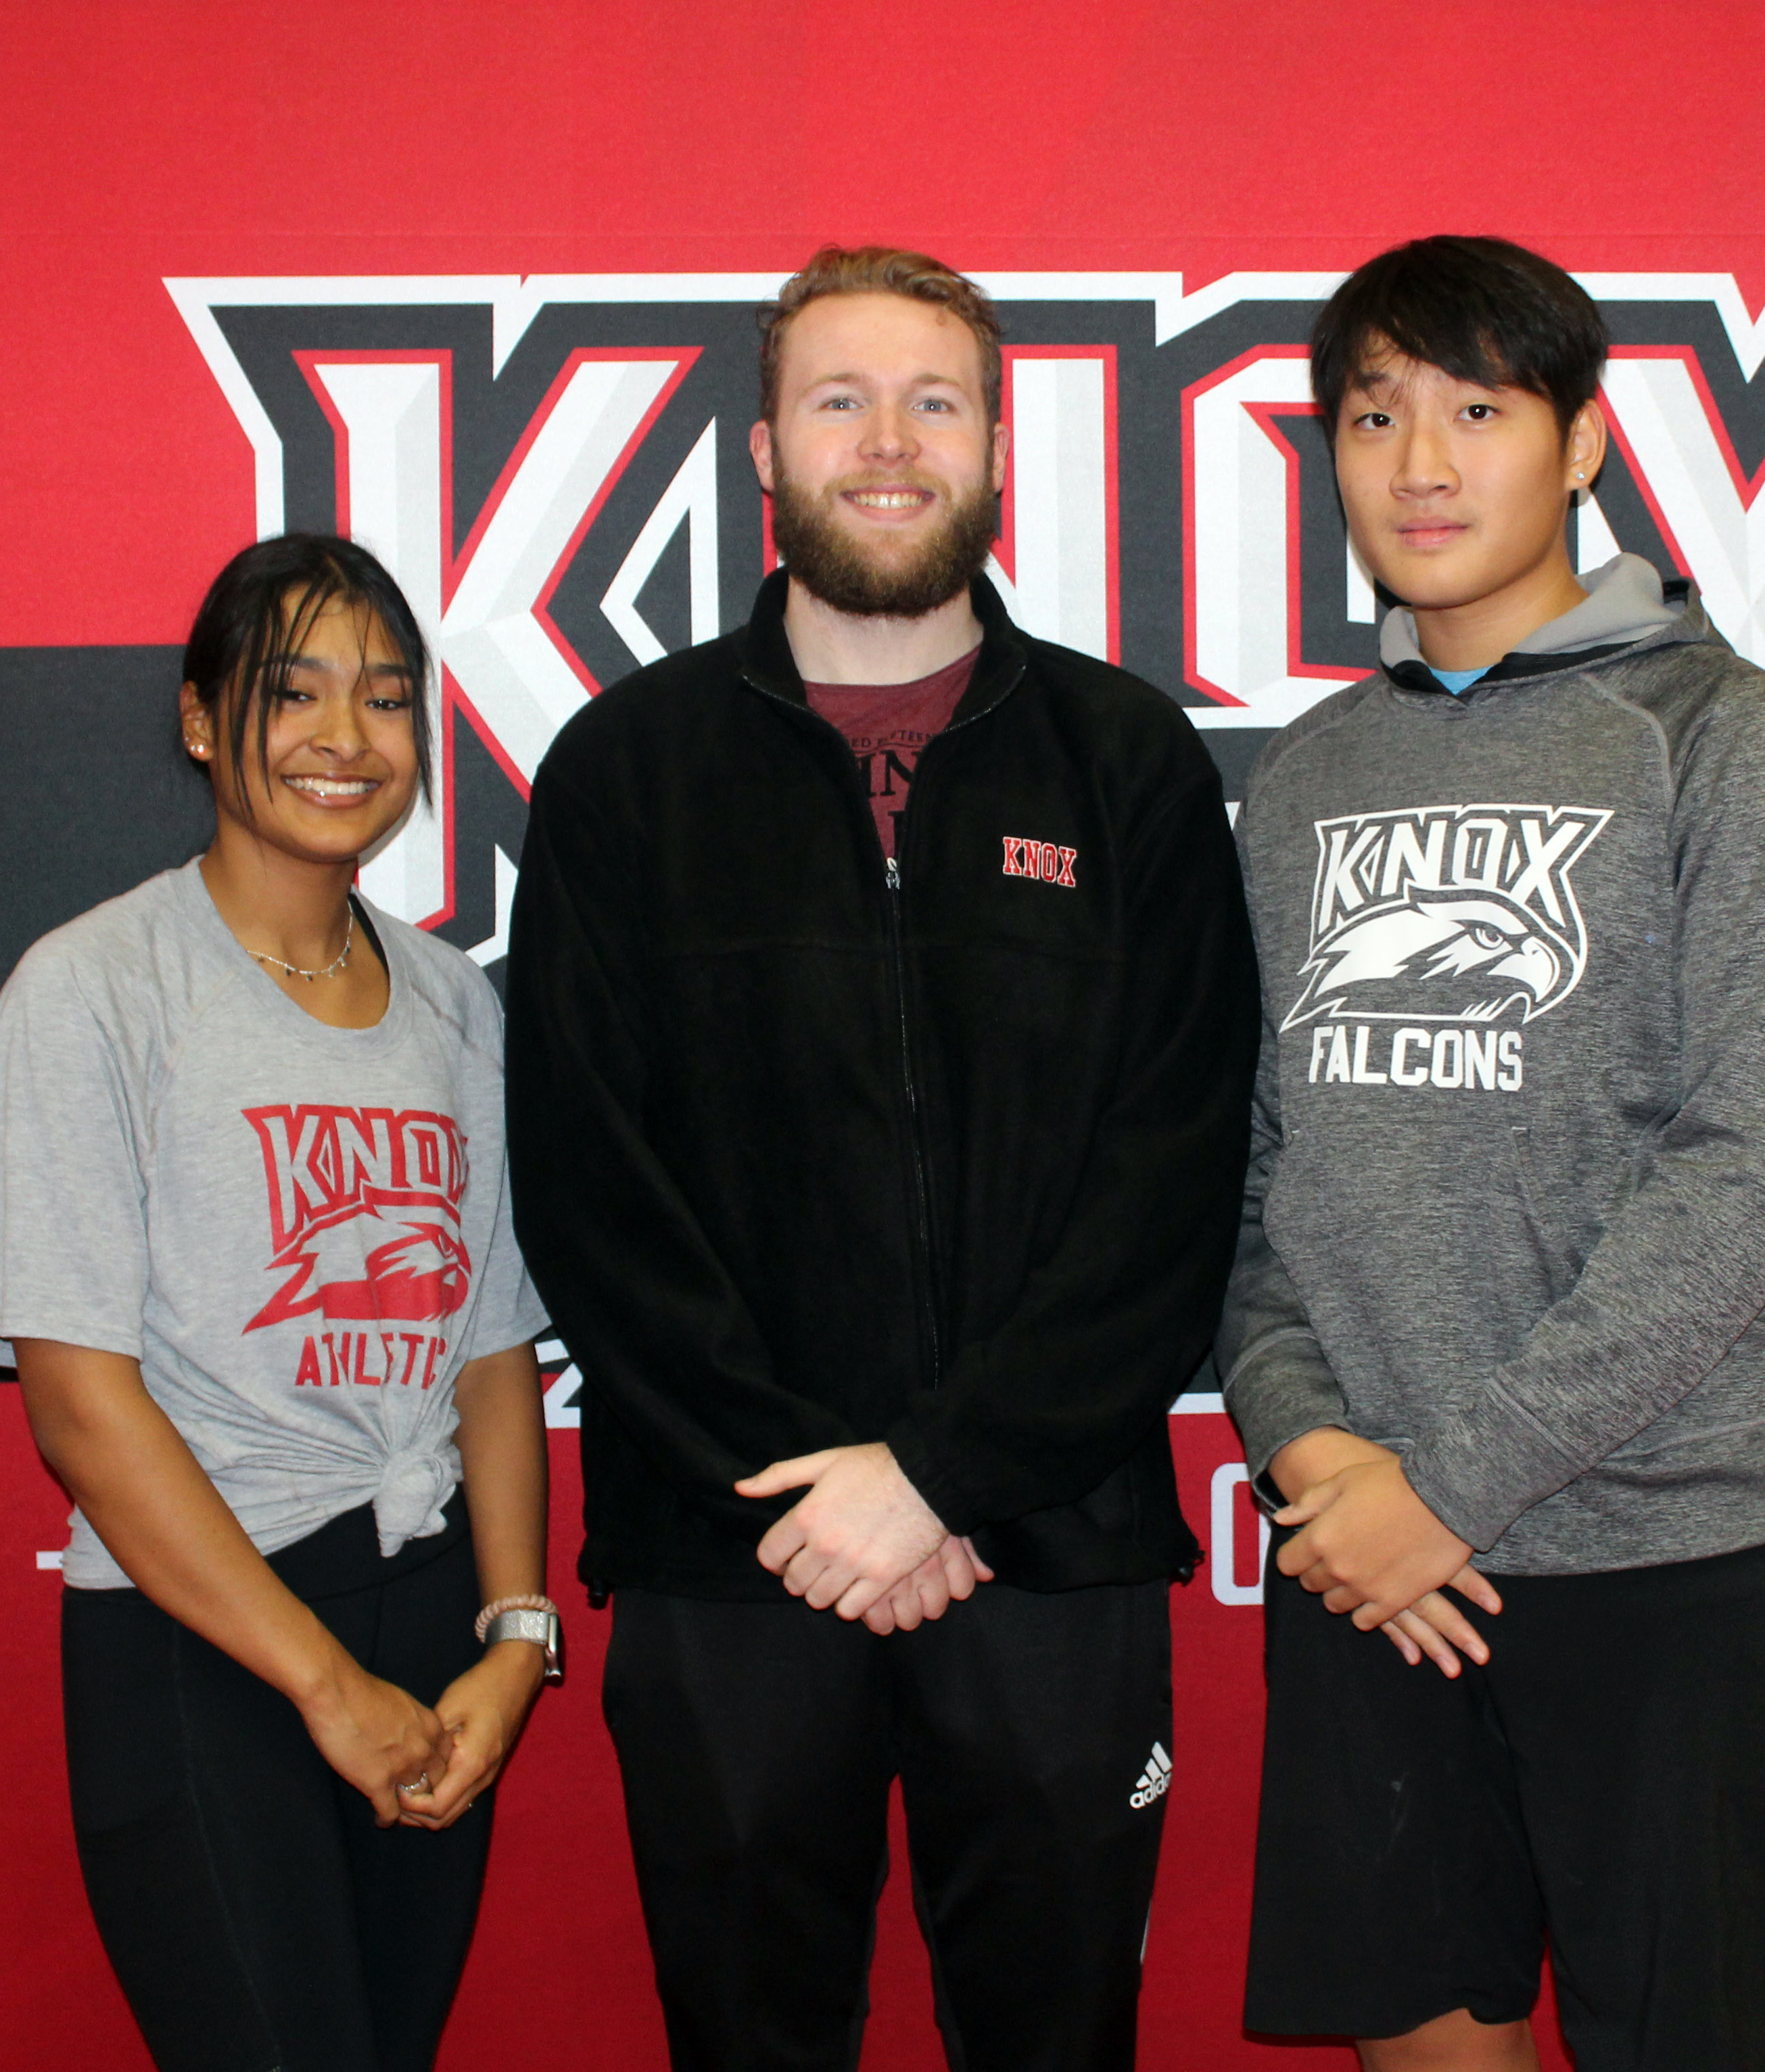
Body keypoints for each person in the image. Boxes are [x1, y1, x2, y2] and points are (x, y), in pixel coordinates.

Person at [504, 245, 1258, 2072]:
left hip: (1047, 1550)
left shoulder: (1125, 761)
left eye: (936, 400)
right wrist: (815, 1492)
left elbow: (1175, 1171)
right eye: (840, 399)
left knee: (1061, 2037)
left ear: (997, 446)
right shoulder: (628, 771)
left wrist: (942, 1478)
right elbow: (591, 1188)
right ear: (764, 451)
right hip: (729, 1556)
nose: (890, 443)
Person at [1219, 235, 1765, 2072]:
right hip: (1374, 1569)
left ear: (1579, 442)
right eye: (1373, 413)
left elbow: (1758, 1161)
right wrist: (1319, 1448)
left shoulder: (1721, 736)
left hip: (1667, 1562)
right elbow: (1263, 1172)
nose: (1419, 461)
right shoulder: (1312, 774)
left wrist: (1452, 1483)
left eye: (1477, 410)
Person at [0, 534, 555, 2072]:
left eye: (387, 696)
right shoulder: (93, 989)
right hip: (204, 1636)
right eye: (294, 691)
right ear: (206, 717)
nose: (346, 736)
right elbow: (82, 1404)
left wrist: (513, 1633)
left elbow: (486, 1347)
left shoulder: (450, 999)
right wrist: (323, 1683)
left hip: (427, 1625)